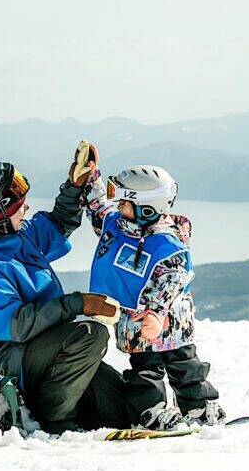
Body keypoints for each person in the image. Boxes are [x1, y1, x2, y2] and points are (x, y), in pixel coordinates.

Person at [0, 148, 133, 434]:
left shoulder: (18, 237)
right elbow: (18, 326)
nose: (27, 207)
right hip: (16, 355)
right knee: (90, 334)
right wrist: (78, 304)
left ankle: (78, 410)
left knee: (121, 409)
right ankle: (51, 419)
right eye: (18, 203)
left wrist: (75, 186)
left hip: (50, 345)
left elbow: (58, 223)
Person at [85, 164, 225, 429]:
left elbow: (172, 281)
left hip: (167, 321)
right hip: (139, 323)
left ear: (146, 209)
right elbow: (98, 207)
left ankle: (197, 406)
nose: (119, 206)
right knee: (145, 370)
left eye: (124, 202)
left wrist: (156, 314)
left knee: (185, 364)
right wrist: (91, 177)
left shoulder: (166, 245)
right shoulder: (119, 225)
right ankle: (151, 409)